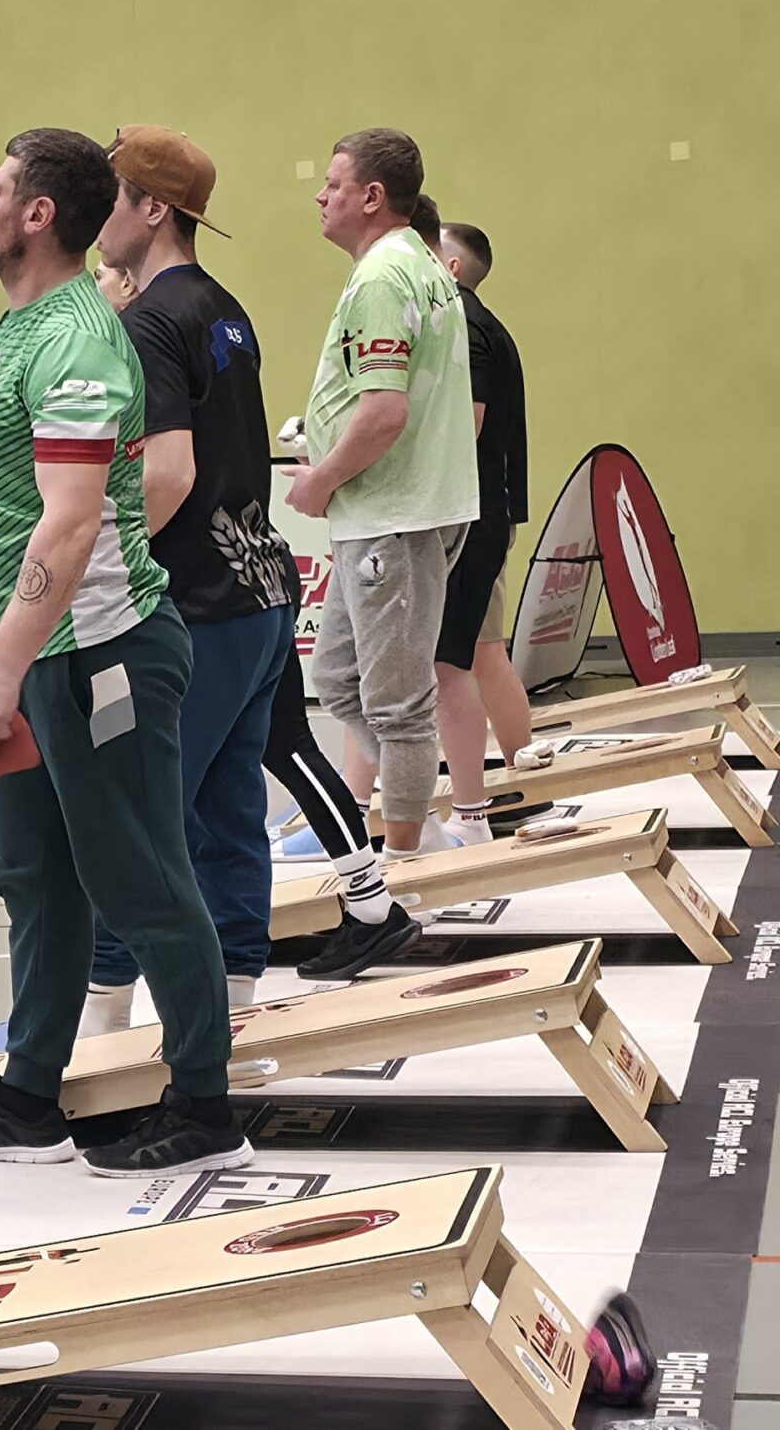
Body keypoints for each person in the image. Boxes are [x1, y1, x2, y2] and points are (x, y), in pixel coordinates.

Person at [0, 127, 243, 1179]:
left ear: (38, 213)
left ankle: (204, 1103)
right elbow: (20, 505)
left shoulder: (77, 342)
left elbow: (70, 523)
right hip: (35, 649)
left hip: (102, 654)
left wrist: (1, 673)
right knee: (32, 871)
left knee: (136, 874)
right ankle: (29, 1094)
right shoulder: (21, 328)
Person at [79, 127, 295, 1035]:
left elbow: (166, 474)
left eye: (110, 197)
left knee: (130, 819)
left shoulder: (149, 323)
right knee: (227, 811)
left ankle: (99, 1027)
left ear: (152, 208)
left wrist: (98, 567)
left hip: (195, 607)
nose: (97, 216)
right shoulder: (224, 308)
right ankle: (234, 1011)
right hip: (259, 597)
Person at [286, 128, 477, 981]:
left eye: (332, 183)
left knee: (397, 706)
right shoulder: (417, 267)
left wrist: (318, 479)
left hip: (393, 517)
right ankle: (414, 808)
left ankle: (401, 875)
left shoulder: (385, 276)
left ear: (371, 195)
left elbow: (384, 412)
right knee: (337, 677)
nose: (319, 195)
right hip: (384, 516)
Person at [433, 218, 538, 836]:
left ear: (452, 268)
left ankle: (512, 781)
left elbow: (466, 422)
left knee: (471, 657)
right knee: (480, 651)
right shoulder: (485, 325)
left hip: (476, 516)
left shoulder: (467, 326)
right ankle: (525, 771)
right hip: (488, 509)